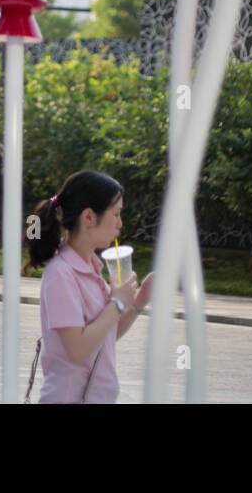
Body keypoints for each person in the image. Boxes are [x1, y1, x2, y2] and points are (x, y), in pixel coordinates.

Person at [25, 169, 153, 404]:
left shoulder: (92, 268)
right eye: (116, 214)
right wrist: (116, 303)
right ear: (89, 217)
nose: (120, 224)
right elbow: (78, 349)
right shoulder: (61, 273)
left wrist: (139, 300)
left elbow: (104, 335)